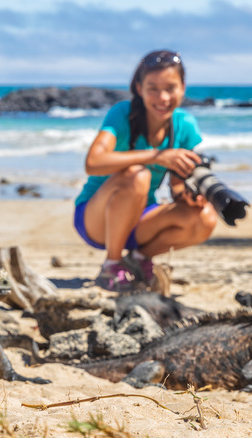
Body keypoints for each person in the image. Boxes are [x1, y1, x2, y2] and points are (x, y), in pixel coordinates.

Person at [73, 49, 218, 292]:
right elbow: (93, 162)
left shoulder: (185, 126)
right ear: (139, 89)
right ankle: (111, 264)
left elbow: (176, 187)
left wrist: (190, 197)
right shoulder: (122, 114)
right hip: (96, 219)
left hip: (141, 221)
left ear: (182, 87)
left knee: (205, 217)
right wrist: (158, 156)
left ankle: (138, 259)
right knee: (138, 175)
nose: (162, 97)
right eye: (153, 88)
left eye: (170, 88)